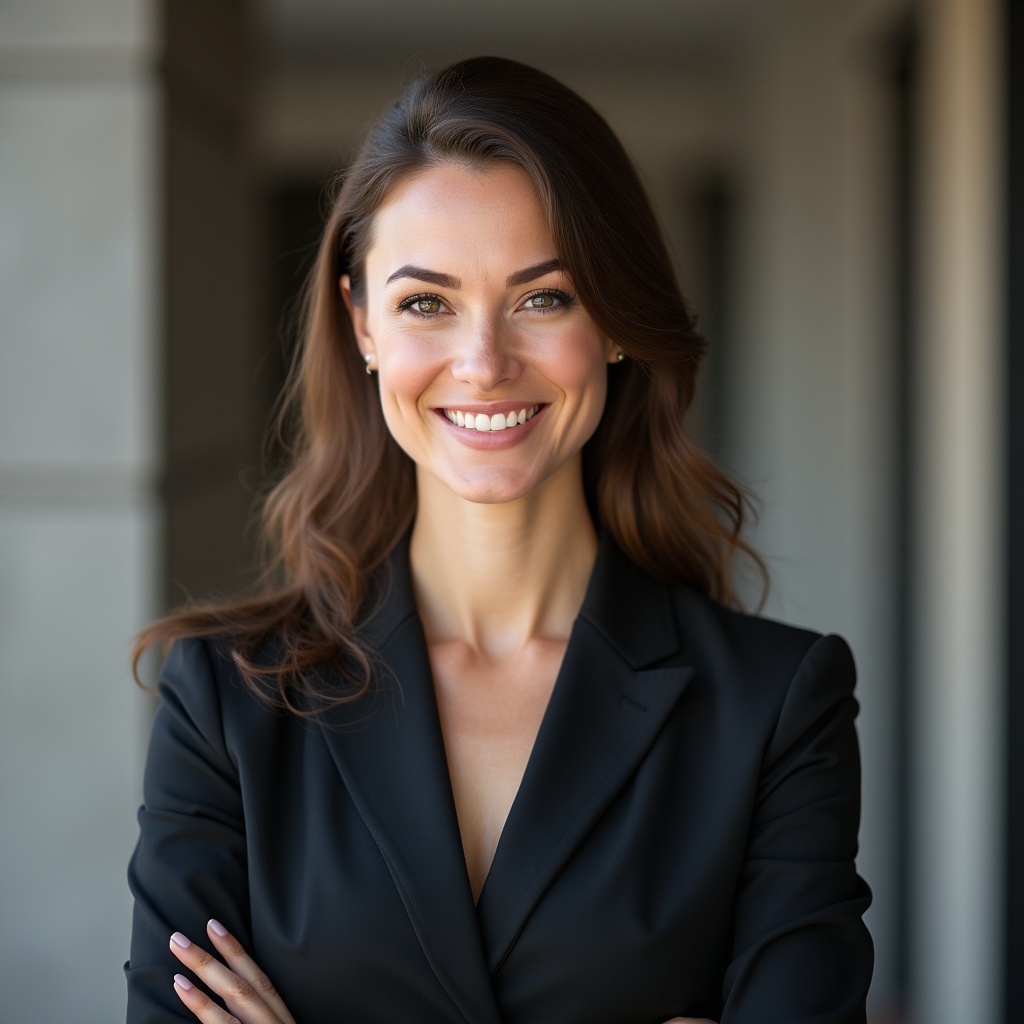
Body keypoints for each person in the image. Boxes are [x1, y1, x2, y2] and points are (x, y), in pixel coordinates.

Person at [125, 56, 873, 1024]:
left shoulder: (777, 705)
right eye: (425, 303)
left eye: (543, 297)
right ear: (362, 324)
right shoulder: (226, 701)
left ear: (615, 320)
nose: (483, 363)